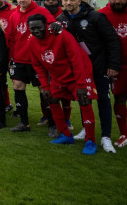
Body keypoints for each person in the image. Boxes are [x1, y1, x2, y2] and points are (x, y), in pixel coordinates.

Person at [57, 0, 120, 153]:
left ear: (79, 0)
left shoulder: (95, 17)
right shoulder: (61, 20)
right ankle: (87, 128)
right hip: (79, 71)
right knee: (84, 100)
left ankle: (106, 137)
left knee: (103, 101)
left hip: (99, 67)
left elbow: (112, 41)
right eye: (66, 0)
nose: (69, 3)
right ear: (62, 2)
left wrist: (113, 65)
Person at [27, 14, 99, 155]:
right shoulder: (32, 42)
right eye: (32, 28)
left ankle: (90, 141)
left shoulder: (62, 35)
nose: (36, 31)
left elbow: (77, 60)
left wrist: (81, 85)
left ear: (46, 25)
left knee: (85, 102)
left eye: (39, 27)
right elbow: (38, 66)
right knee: (51, 99)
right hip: (58, 76)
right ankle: (66, 135)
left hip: (78, 73)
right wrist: (45, 86)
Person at [6, 0, 57, 132]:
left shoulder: (42, 12)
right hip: (19, 59)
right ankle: (24, 123)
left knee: (44, 90)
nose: (22, 0)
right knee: (17, 87)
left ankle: (52, 123)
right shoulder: (14, 14)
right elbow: (10, 37)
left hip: (37, 59)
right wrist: (10, 58)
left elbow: (52, 30)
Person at [98, 0, 127, 147]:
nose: (117, 1)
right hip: (115, 66)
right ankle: (124, 133)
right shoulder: (101, 15)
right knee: (120, 98)